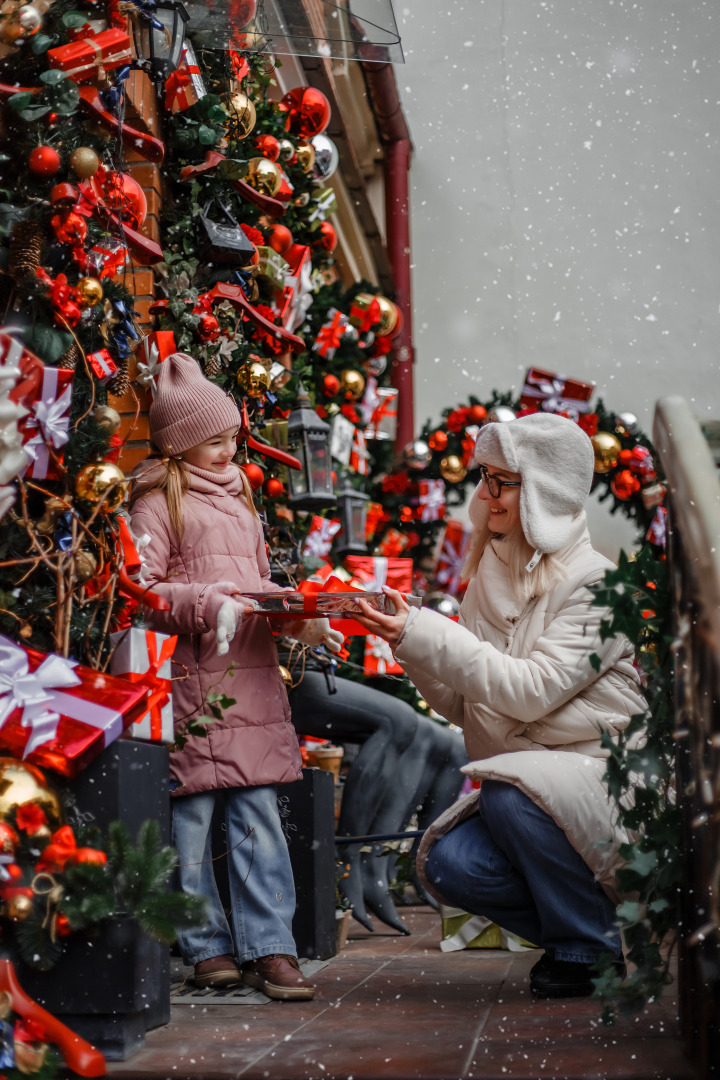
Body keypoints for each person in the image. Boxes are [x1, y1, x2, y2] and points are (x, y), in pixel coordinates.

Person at [353, 412, 647, 999]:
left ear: (542, 490)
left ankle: (584, 946)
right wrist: (404, 639)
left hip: (601, 778)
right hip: (531, 783)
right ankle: (591, 932)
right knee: (449, 865)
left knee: (512, 795)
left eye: (499, 480)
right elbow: (467, 704)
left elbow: (528, 689)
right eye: (484, 477)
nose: (484, 494)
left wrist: (426, 630)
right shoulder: (491, 570)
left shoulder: (598, 587)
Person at [129, 352, 341, 999]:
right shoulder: (158, 501)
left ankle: (271, 947)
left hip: (248, 679)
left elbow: (253, 586)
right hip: (194, 685)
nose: (226, 451)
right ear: (179, 443)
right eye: (212, 441)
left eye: (229, 439)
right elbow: (141, 590)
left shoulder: (242, 499)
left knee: (257, 820)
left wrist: (294, 615)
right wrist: (206, 600)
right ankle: (207, 946)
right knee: (192, 820)